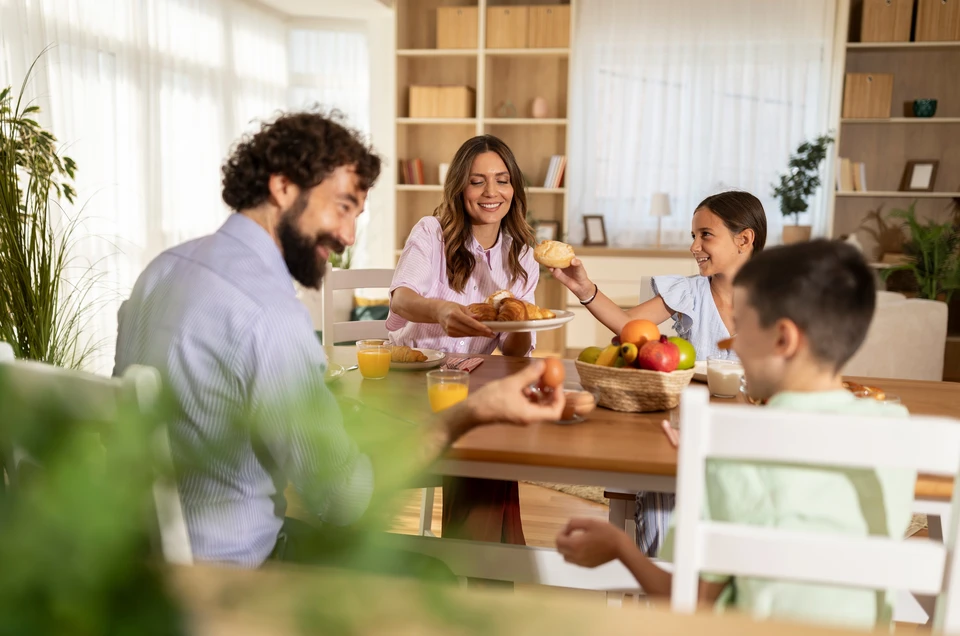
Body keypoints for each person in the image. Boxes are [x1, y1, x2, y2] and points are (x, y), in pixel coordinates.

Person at [113, 111, 564, 571]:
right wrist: (462, 418)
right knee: (435, 573)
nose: (348, 237)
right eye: (343, 207)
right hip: (236, 570)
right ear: (283, 187)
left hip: (139, 561)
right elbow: (343, 499)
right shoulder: (273, 316)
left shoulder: (160, 271)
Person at [556, 240, 915, 629]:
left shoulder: (730, 450)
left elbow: (692, 607)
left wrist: (620, 548)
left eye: (741, 327)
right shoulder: (896, 429)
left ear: (783, 339)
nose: (730, 343)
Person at [551, 190, 768, 556]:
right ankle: (662, 578)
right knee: (662, 503)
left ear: (744, 239)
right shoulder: (690, 292)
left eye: (705, 235)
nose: (694, 246)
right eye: (693, 236)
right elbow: (629, 325)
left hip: (750, 441)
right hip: (685, 437)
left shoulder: (780, 301)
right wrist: (585, 290)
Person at [386, 134, 538, 545]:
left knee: (493, 438)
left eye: (502, 180)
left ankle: (476, 563)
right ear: (459, 187)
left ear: (514, 188)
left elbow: (513, 350)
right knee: (487, 447)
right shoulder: (431, 233)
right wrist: (440, 311)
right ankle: (492, 566)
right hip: (410, 388)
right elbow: (401, 298)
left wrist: (522, 322)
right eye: (477, 181)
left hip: (467, 387)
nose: (491, 192)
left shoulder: (522, 254)